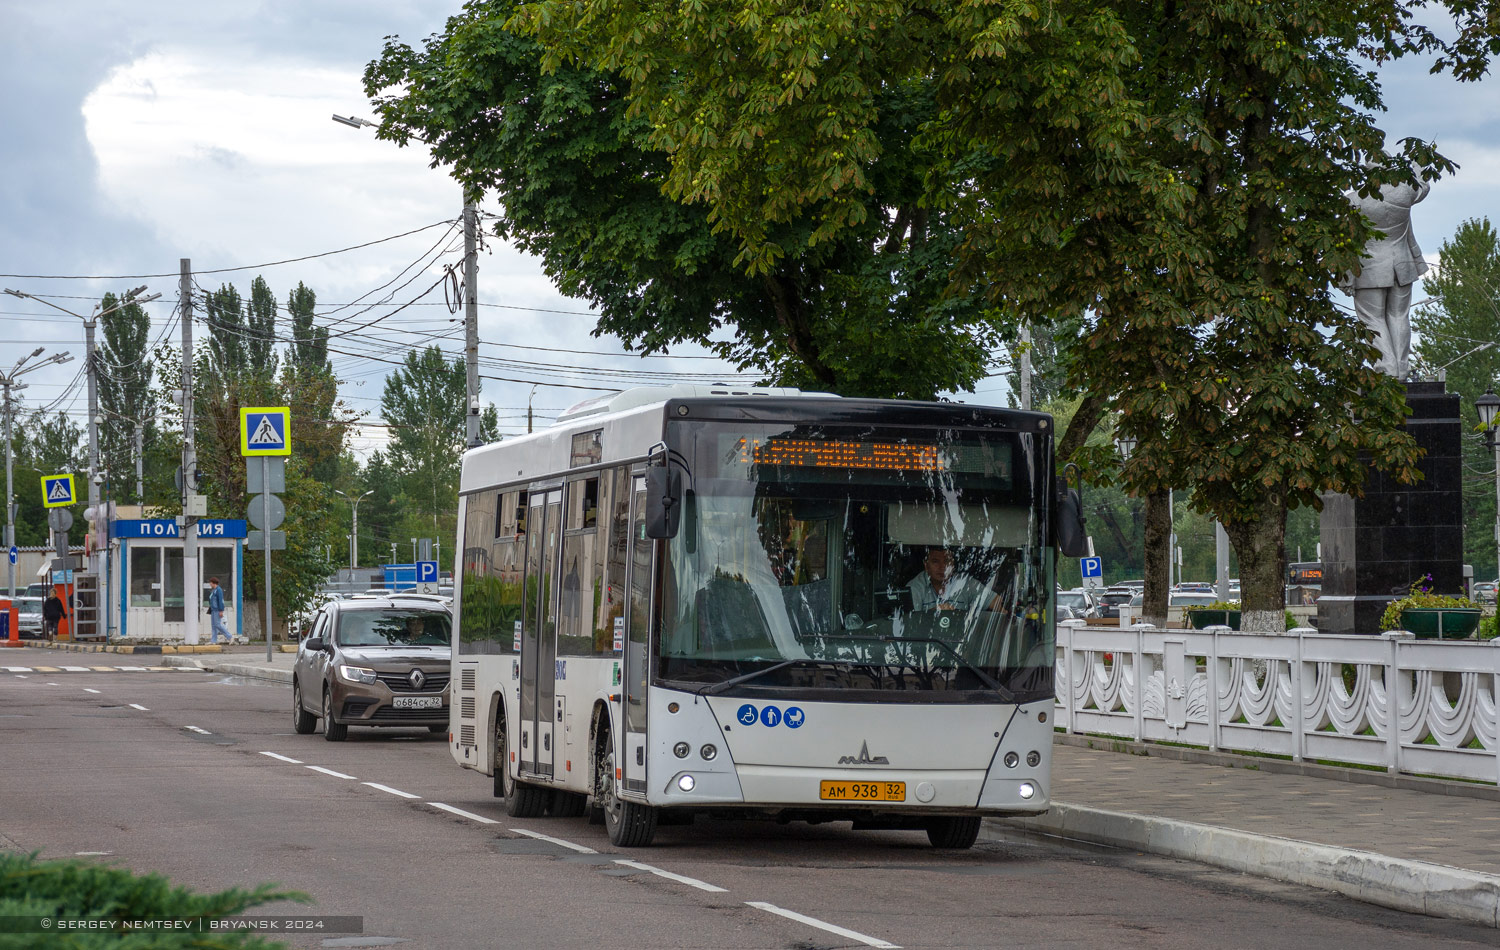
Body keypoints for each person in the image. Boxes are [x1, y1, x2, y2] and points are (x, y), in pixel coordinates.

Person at [1342, 163, 1431, 378]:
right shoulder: (1404, 195)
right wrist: (1418, 165)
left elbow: (1346, 241)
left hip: (1369, 269)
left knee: (1371, 319)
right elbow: (1423, 186)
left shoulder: (1354, 200)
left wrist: (1346, 276)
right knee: (1400, 316)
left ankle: (1387, 370)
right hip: (1402, 265)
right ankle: (1401, 369)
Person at [905, 547, 1003, 613]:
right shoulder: (914, 587)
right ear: (926, 566)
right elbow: (909, 623)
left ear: (953, 565)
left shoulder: (965, 582)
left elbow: (996, 602)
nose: (942, 567)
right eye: (935, 562)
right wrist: (932, 613)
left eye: (947, 561)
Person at [207, 576, 230, 644]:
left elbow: (221, 601)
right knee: (213, 625)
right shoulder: (214, 590)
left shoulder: (218, 590)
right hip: (213, 610)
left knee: (218, 625)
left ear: (214, 583)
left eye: (210, 583)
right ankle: (213, 640)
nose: (210, 584)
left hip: (217, 610)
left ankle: (229, 636)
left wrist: (221, 610)